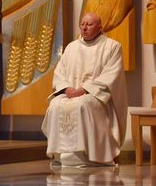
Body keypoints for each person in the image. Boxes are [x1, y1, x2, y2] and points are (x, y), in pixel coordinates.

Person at [41, 12, 127, 167]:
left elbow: (110, 75)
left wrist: (84, 90)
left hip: (96, 95)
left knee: (83, 105)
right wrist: (66, 88)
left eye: (89, 24)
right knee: (55, 105)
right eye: (82, 24)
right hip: (70, 92)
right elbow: (60, 72)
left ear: (99, 27)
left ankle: (87, 156)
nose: (84, 27)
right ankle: (60, 154)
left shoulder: (112, 47)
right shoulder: (71, 47)